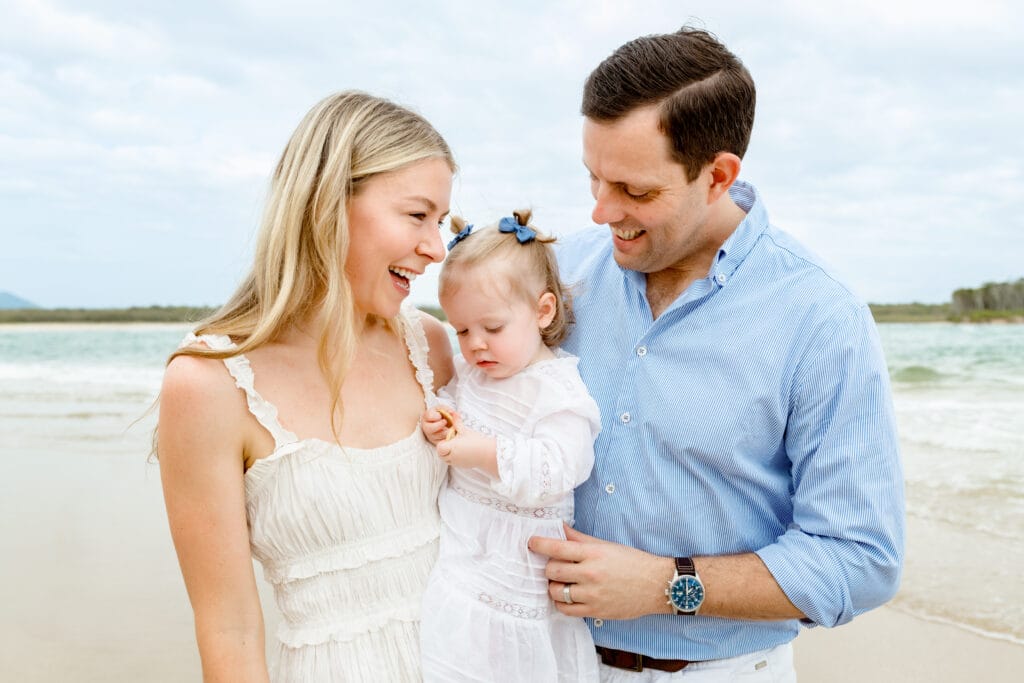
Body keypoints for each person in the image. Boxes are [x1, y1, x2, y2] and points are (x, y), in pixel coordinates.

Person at [528, 27, 905, 681]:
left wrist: (665, 584)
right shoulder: (559, 276)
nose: (601, 212)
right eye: (594, 178)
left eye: (635, 191)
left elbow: (859, 558)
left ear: (719, 176)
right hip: (547, 661)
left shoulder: (822, 318)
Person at [157, 91, 457, 682]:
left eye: (441, 222)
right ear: (327, 204)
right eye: (417, 215)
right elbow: (229, 629)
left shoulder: (431, 346)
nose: (436, 248)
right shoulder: (208, 382)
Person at [418, 211, 602, 682]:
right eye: (462, 330)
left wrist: (483, 452)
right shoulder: (471, 374)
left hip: (521, 571)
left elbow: (560, 467)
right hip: (463, 558)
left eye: (493, 328)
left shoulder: (556, 389)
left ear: (543, 312)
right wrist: (442, 420)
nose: (476, 345)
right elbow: (451, 403)